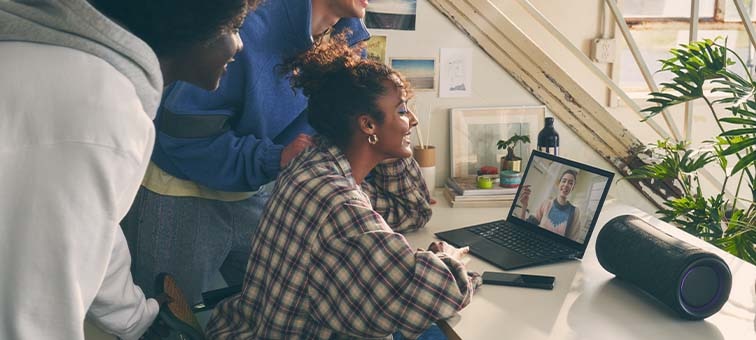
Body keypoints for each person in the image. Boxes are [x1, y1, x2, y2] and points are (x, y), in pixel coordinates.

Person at [0, 0, 251, 338]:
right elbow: (35, 304)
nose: (239, 44)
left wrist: (135, 317)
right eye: (234, 28)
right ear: (189, 27)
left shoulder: (84, 77)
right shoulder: (101, 110)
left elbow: (94, 228)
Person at [204, 36, 481, 340]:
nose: (412, 120)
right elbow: (432, 294)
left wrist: (385, 146)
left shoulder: (317, 163)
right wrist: (449, 259)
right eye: (402, 110)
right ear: (367, 125)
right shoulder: (340, 203)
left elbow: (410, 210)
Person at [121, 0, 371, 305]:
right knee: (167, 323)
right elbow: (182, 131)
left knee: (277, 313)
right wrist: (274, 158)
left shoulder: (349, 38)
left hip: (259, 190)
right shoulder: (248, 25)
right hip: (182, 191)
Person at [517, 169, 581, 239]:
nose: (566, 185)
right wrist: (524, 206)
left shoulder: (575, 212)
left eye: (570, 183)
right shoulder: (546, 203)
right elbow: (525, 228)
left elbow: (572, 241)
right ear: (559, 183)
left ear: (573, 188)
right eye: (564, 181)